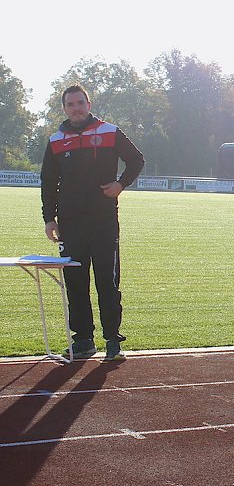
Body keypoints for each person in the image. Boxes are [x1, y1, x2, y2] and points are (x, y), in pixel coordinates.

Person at [40, 83, 145, 362]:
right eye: (70, 104)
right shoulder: (55, 140)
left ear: (89, 105)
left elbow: (136, 160)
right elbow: (48, 183)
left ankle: (113, 340)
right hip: (70, 224)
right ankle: (83, 340)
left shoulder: (109, 132)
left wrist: (121, 184)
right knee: (75, 282)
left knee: (107, 282)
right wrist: (49, 218)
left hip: (103, 221)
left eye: (80, 103)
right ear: (64, 109)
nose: (76, 108)